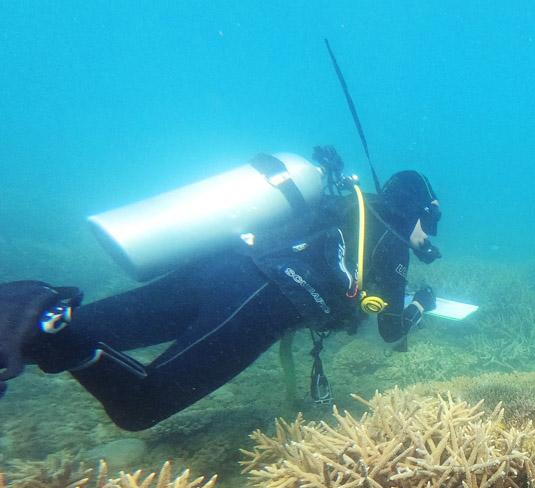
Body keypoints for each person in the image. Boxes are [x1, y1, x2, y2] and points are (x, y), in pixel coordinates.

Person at [0, 165, 442, 431]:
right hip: (262, 299)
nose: (430, 236)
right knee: (141, 406)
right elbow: (391, 329)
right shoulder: (391, 241)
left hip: (217, 265)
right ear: (418, 211)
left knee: (79, 325)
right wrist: (422, 303)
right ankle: (54, 331)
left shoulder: (344, 204)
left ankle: (38, 313)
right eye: (431, 223)